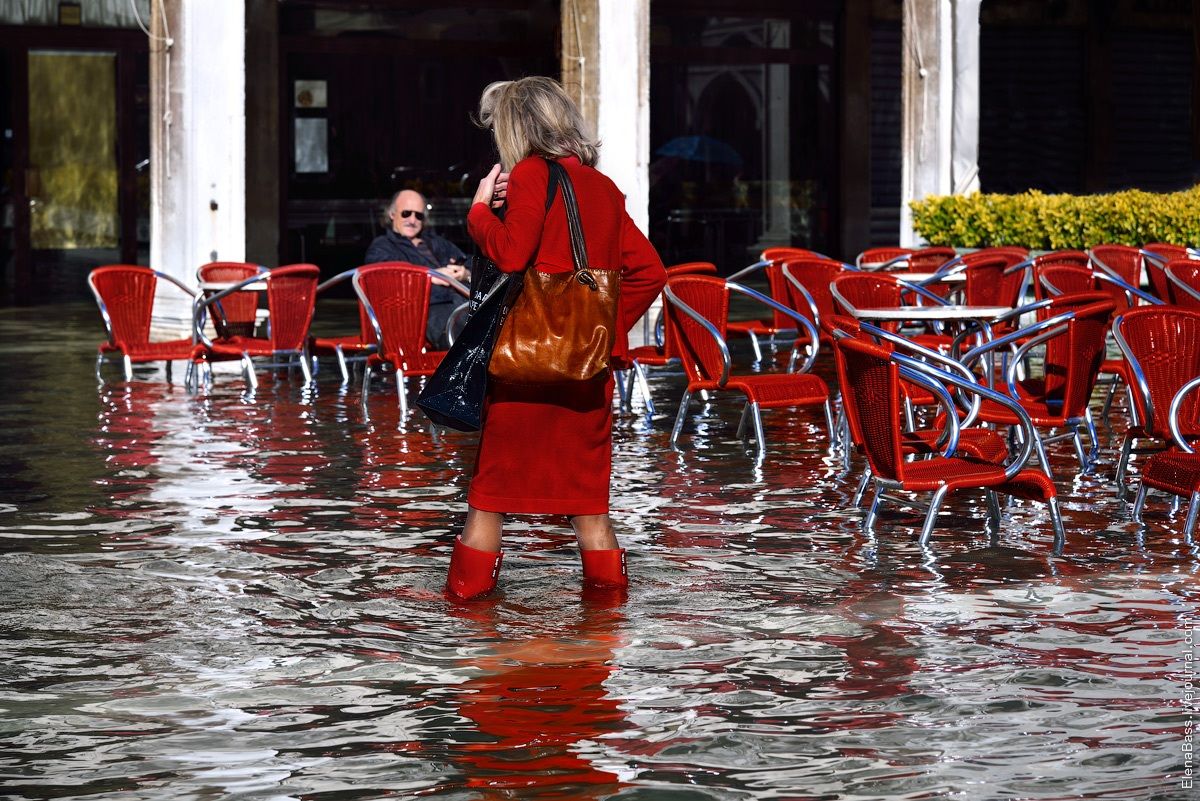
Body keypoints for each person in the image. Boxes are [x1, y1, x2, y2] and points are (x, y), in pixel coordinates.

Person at [445, 76, 667, 600]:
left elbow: (510, 253)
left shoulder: (528, 174)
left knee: (489, 500)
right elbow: (651, 272)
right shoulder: (602, 186)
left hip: (525, 371)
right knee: (590, 507)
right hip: (586, 373)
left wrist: (478, 212)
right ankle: (605, 624)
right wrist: (596, 333)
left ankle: (467, 620)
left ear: (516, 127)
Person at [364, 188, 469, 349]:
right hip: (423, 310)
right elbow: (384, 279)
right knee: (467, 338)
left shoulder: (436, 242)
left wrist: (465, 273)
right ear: (392, 214)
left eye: (418, 215)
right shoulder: (382, 246)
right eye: (406, 213)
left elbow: (469, 261)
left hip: (463, 303)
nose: (412, 220)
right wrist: (429, 276)